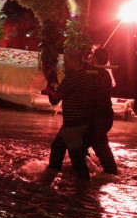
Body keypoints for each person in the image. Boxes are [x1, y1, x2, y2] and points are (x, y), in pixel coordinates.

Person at [43, 49, 93, 181]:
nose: (65, 65)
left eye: (67, 62)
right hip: (80, 122)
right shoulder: (86, 76)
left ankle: (84, 190)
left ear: (76, 62)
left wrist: (49, 88)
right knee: (57, 147)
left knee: (76, 158)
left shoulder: (71, 78)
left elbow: (55, 100)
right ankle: (51, 176)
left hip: (72, 125)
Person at [85, 47, 118, 175]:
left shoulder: (97, 74)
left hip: (98, 118)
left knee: (100, 146)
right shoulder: (102, 74)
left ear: (96, 59)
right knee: (95, 145)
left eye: (92, 57)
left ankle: (110, 173)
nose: (90, 59)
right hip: (103, 117)